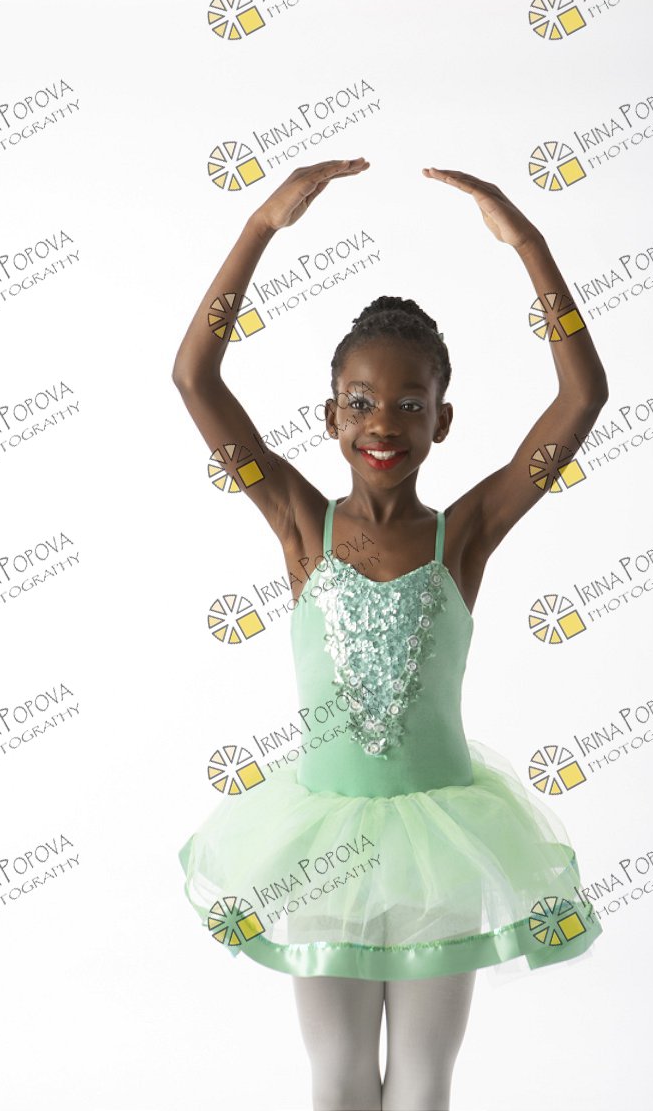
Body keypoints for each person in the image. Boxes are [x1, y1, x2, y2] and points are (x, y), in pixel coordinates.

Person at [173, 158, 609, 1111]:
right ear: (330, 414)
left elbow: (581, 401)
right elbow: (194, 376)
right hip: (320, 843)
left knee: (421, 1086)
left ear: (442, 419)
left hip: (441, 840)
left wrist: (530, 245)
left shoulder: (467, 534)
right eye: (361, 401)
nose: (384, 422)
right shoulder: (301, 523)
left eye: (411, 404)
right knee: (337, 1082)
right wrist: (259, 227)